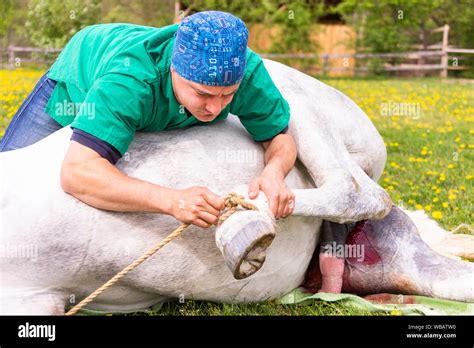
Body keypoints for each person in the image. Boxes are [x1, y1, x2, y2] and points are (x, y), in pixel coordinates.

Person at [0, 11, 297, 228]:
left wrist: (274, 170)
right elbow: (77, 173)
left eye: (228, 95)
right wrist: (172, 201)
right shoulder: (130, 80)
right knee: (8, 185)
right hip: (82, 68)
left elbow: (280, 138)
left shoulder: (245, 70)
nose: (215, 109)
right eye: (203, 94)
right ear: (173, 69)